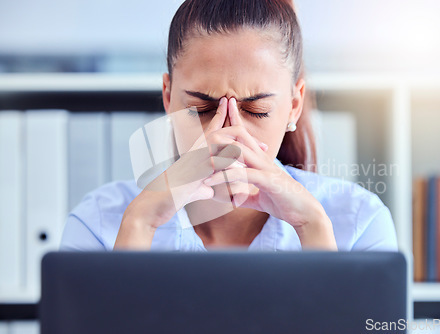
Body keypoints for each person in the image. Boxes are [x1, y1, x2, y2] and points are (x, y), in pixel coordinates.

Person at [60, 0, 398, 252]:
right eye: (202, 107)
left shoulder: (358, 222)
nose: (228, 137)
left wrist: (313, 227)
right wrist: (139, 222)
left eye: (257, 109)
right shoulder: (98, 222)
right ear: (167, 97)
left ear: (293, 106)